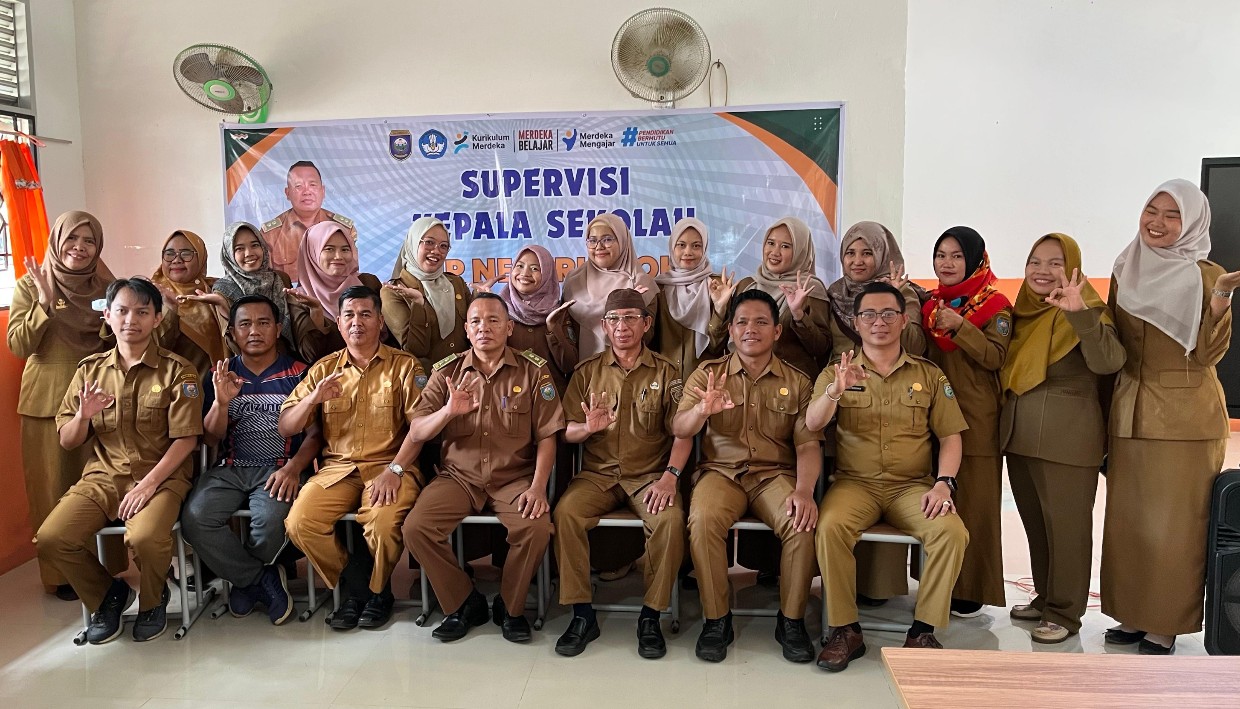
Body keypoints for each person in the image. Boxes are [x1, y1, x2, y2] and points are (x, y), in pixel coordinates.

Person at [1102, 179, 1240, 655]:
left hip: (1185, 420)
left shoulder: (1206, 275)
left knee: (1176, 527)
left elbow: (1207, 355)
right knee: (1130, 524)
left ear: (1192, 223)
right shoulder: (1126, 267)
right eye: (1151, 210)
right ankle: (1135, 614)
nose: (1157, 222)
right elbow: (1115, 345)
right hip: (1129, 412)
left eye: (1171, 215)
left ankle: (1167, 622)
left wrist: (1221, 299)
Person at [809, 282, 970, 671]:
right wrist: (835, 391)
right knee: (829, 527)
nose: (878, 322)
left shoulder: (928, 375)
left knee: (952, 532)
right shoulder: (837, 372)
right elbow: (812, 423)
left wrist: (943, 483)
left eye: (887, 314)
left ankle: (922, 630)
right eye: (868, 315)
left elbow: (950, 437)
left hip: (912, 487)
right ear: (855, 322)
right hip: (854, 484)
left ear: (903, 320)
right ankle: (845, 629)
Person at [35, 278, 203, 644]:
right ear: (108, 315)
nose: (132, 320)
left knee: (143, 537)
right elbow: (67, 439)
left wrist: (148, 484)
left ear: (158, 318)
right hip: (104, 476)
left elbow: (186, 438)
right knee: (52, 538)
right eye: (123, 311)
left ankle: (153, 601)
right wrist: (83, 415)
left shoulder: (179, 371)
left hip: (162, 476)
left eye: (143, 311)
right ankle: (108, 596)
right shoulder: (89, 371)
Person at [402, 293, 566, 644]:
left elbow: (548, 437)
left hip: (514, 478)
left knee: (536, 529)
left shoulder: (533, 370)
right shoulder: (446, 371)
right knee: (417, 527)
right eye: (476, 321)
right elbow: (417, 430)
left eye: (493, 320)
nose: (484, 328)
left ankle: (510, 606)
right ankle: (463, 601)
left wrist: (537, 488)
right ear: (466, 329)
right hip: (458, 478)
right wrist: (448, 411)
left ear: (509, 327)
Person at [672, 289, 822, 665]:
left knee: (801, 523)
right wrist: (702, 412)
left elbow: (807, 445)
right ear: (731, 330)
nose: (750, 329)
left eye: (760, 322)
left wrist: (804, 490)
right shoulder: (709, 375)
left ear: (777, 332)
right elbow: (680, 427)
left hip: (775, 476)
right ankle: (716, 619)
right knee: (703, 519)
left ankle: (791, 621)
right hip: (721, 474)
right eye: (741, 322)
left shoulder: (799, 382)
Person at [1000, 233, 1124, 644]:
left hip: (1068, 441)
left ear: (1072, 268)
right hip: (1019, 437)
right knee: (1036, 525)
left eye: (1055, 263)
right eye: (1035, 261)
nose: (1042, 270)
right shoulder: (1024, 312)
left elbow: (1109, 362)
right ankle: (1046, 595)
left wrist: (1079, 314)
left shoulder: (1089, 310)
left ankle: (1066, 613)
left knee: (1067, 529)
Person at [554, 288, 690, 659]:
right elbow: (566, 430)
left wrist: (670, 477)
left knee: (671, 520)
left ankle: (651, 615)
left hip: (648, 476)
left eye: (631, 317)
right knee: (566, 514)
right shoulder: (587, 372)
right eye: (614, 319)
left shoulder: (668, 371)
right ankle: (582, 613)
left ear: (646, 324)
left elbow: (683, 432)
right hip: (598, 475)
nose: (622, 326)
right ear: (603, 325)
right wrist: (588, 429)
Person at [280, 285, 425, 631]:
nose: (356, 322)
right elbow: (287, 426)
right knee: (299, 522)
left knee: (384, 523)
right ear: (339, 324)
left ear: (380, 322)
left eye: (365, 314)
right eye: (348, 315)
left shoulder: (404, 367)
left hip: (391, 466)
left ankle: (374, 592)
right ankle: (358, 585)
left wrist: (395, 469)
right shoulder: (324, 369)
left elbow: (419, 429)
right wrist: (311, 399)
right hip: (337, 471)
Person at [8, 211, 128, 600]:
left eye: (89, 241)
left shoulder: (109, 286)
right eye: (71, 239)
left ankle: (107, 569)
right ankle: (61, 576)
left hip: (99, 399)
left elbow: (122, 341)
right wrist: (44, 302)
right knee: (52, 488)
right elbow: (19, 346)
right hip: (47, 402)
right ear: (56, 242)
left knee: (100, 488)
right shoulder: (31, 284)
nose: (79, 247)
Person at [181, 295, 322, 625]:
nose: (254, 331)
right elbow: (212, 437)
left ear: (278, 328)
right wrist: (220, 403)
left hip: (281, 466)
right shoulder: (222, 373)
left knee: (271, 523)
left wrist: (293, 468)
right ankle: (259, 579)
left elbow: (316, 435)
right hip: (230, 468)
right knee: (196, 517)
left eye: (263, 323)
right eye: (245, 324)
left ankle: (245, 582)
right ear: (232, 332)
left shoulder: (300, 373)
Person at [824, 220, 927, 604]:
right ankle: (837, 593)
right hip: (841, 400)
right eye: (850, 252)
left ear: (883, 254)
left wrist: (905, 303)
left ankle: (878, 587)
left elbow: (917, 346)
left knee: (888, 479)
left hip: (894, 400)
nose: (858, 260)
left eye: (867, 252)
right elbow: (821, 345)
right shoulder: (833, 295)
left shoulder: (905, 295)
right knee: (845, 494)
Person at [920, 226, 1012, 618]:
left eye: (957, 256)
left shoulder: (996, 305)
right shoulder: (930, 306)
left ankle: (972, 587)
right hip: (932, 415)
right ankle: (935, 582)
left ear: (974, 258)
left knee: (974, 505)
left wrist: (960, 325)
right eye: (941, 255)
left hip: (975, 418)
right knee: (935, 500)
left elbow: (995, 358)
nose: (947, 263)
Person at [715, 217, 832, 379]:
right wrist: (720, 309)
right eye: (771, 243)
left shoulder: (809, 289)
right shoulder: (747, 285)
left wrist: (798, 314)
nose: (775, 252)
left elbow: (821, 349)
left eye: (785, 246)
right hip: (743, 382)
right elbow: (718, 346)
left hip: (792, 385)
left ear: (800, 251)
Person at [284, 221, 384, 364]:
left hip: (377, 374)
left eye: (345, 249)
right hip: (328, 379)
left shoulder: (368, 283)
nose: (338, 256)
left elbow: (386, 337)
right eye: (329, 249)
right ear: (312, 252)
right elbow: (311, 355)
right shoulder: (299, 297)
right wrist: (316, 313)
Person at [562, 213, 658, 359]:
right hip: (582, 375)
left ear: (622, 241)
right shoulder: (573, 282)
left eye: (607, 239)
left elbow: (649, 338)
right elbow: (566, 337)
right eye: (592, 240)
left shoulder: (640, 283)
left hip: (631, 373)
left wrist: (629, 304)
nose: (599, 247)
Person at [382, 217, 471, 372]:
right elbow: (414, 350)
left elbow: (472, 331)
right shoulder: (393, 291)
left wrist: (481, 298)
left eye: (444, 246)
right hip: (424, 383)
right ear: (413, 243)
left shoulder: (456, 283)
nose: (436, 251)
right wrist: (419, 304)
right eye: (429, 242)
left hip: (463, 376)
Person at [488, 244, 577, 392]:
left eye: (535, 268)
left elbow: (569, 365)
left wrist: (553, 328)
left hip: (551, 400)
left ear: (547, 274)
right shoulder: (499, 309)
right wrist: (484, 302)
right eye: (520, 266)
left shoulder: (559, 311)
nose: (525, 273)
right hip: (508, 398)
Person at [207, 222, 296, 356]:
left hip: (286, 363)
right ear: (229, 254)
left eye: (255, 245)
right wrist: (223, 305)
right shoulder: (223, 289)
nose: (249, 253)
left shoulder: (280, 279)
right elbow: (231, 343)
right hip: (245, 367)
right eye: (239, 249)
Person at [150, 230, 229, 380]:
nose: (176, 260)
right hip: (169, 389)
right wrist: (171, 311)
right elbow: (149, 348)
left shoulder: (217, 290)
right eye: (169, 253)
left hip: (215, 386)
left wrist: (223, 305)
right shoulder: (149, 294)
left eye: (186, 253)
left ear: (201, 257)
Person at [261, 160, 357, 284]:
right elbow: (267, 282)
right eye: (298, 186)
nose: (307, 191)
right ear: (288, 193)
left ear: (323, 191)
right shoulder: (270, 234)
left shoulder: (343, 228)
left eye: (312, 185)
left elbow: (352, 277)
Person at [654, 217, 728, 376]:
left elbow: (717, 347)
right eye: (681, 245)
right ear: (672, 247)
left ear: (705, 249)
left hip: (705, 382)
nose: (688, 252)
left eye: (696, 246)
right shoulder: (658, 289)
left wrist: (720, 309)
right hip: (663, 384)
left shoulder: (717, 287)